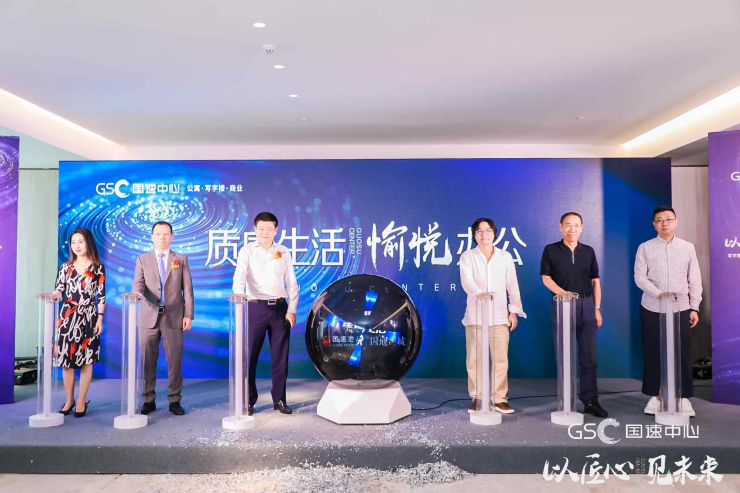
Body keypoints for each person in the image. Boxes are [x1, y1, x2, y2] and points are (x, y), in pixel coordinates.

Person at [634, 206, 702, 417]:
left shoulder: (687, 247)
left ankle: (684, 398)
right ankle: (655, 397)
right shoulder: (645, 247)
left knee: (682, 352)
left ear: (676, 222)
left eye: (669, 219)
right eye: (660, 220)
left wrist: (694, 307)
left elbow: (694, 279)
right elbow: (639, 277)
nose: (665, 223)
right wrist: (659, 293)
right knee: (653, 351)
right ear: (654, 224)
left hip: (681, 307)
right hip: (652, 307)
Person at [540, 212, 608, 418]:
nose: (572, 229)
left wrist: (597, 308)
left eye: (576, 225)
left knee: (589, 357)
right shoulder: (551, 250)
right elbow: (546, 278)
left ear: (582, 228)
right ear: (560, 227)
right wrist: (564, 294)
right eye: (568, 225)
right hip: (562, 304)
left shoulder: (588, 251)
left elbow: (595, 281)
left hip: (587, 305)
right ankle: (566, 400)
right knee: (564, 355)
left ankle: (590, 401)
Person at [232, 211, 299, 416]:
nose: (265, 232)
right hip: (255, 308)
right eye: (261, 229)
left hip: (279, 308)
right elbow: (240, 276)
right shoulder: (247, 251)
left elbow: (291, 281)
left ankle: (279, 399)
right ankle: (249, 401)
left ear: (276, 230)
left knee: (281, 357)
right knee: (250, 357)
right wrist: (239, 298)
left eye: (269, 229)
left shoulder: (283, 251)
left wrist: (292, 309)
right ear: (255, 229)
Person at [459, 217, 526, 414]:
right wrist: (480, 294)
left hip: (499, 316)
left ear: (494, 233)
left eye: (488, 230)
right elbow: (467, 282)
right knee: (475, 360)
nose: (484, 234)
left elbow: (512, 285)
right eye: (479, 231)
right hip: (476, 316)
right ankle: (477, 397)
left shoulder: (505, 257)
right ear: (474, 235)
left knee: (500, 360)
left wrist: (514, 311)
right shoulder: (468, 256)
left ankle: (499, 399)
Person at [132, 221, 194, 416]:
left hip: (174, 316)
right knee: (147, 360)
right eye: (158, 234)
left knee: (174, 361)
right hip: (148, 315)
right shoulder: (142, 259)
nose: (162, 237)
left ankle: (174, 400)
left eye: (166, 234)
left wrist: (188, 314)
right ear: (152, 237)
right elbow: (138, 284)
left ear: (172, 237)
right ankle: (148, 399)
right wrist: (136, 294)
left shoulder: (181, 259)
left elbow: (188, 290)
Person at [53, 227, 106, 418]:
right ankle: (69, 400)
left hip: (89, 316)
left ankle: (82, 400)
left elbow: (101, 296)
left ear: (88, 243)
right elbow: (59, 289)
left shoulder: (97, 267)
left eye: (80, 242)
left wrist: (100, 318)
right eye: (73, 242)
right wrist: (55, 294)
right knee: (66, 361)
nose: (76, 245)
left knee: (87, 360)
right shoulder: (65, 267)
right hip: (68, 316)